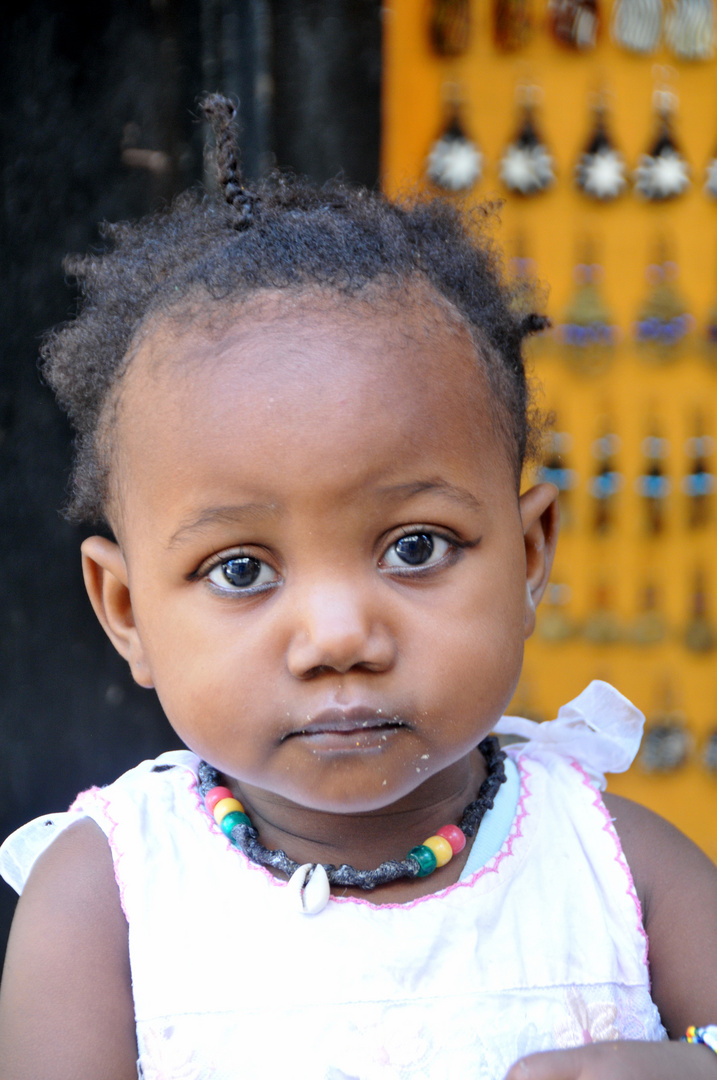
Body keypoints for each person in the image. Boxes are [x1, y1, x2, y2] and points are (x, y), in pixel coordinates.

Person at [0, 94, 715, 1080]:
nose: (339, 635)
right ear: (127, 611)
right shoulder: (104, 902)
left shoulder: (620, 869)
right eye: (241, 570)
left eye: (416, 547)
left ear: (531, 554)